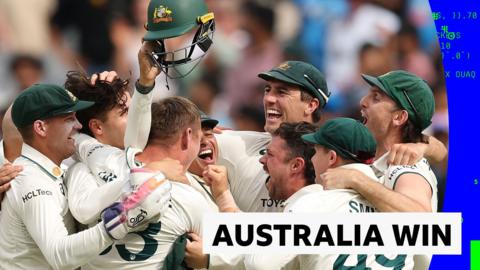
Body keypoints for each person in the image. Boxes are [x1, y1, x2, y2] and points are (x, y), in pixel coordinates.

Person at [0, 84, 170, 269]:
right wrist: (121, 220)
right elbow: (59, 255)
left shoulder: (62, 169)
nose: (79, 126)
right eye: (69, 118)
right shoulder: (32, 181)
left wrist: (103, 87)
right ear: (40, 128)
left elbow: (104, 152)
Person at [244, 117, 413, 270]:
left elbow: (259, 263)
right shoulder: (396, 206)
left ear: (331, 158)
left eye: (316, 151)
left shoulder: (314, 202)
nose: (312, 160)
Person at [319, 70, 439, 270]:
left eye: (376, 97)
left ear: (399, 117)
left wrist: (357, 180)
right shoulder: (376, 160)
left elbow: (421, 220)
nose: (363, 102)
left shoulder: (407, 167)